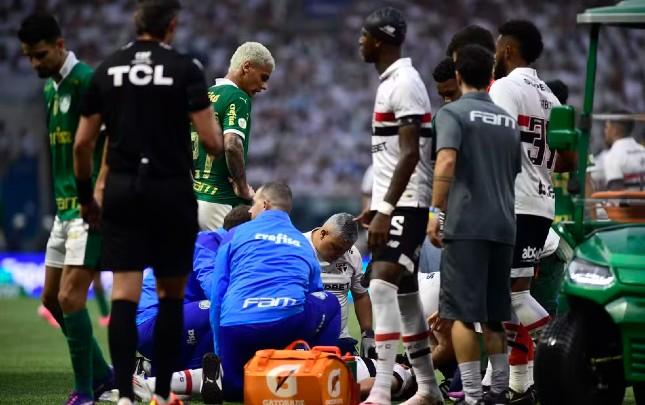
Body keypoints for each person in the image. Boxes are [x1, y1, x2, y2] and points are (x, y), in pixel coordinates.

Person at [72, 1, 224, 404]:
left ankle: (125, 394)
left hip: (122, 190)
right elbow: (212, 142)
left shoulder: (107, 69)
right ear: (172, 25)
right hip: (170, 190)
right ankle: (161, 393)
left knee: (125, 293)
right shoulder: (185, 68)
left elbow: (83, 144)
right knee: (170, 295)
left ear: (136, 23)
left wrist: (87, 198)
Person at [17, 12, 114, 404]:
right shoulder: (50, 89)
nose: (34, 63)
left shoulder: (87, 81)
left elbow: (111, 140)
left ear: (60, 45)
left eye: (40, 54)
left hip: (87, 208)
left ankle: (85, 392)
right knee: (51, 299)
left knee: (72, 298)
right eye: (28, 56)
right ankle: (103, 375)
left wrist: (100, 189)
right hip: (63, 209)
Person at [357, 7, 442, 405]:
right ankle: (427, 388)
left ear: (381, 40)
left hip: (408, 203)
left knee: (380, 284)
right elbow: (393, 156)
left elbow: (411, 154)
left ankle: (381, 389)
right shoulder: (392, 81)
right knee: (406, 298)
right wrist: (377, 206)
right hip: (396, 203)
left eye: (365, 35)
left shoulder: (405, 83)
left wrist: (387, 208)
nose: (360, 41)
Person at [428, 44, 522, 405]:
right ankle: (498, 391)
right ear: (490, 76)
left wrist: (435, 212)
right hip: (504, 225)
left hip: (467, 225)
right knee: (495, 317)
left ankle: (470, 395)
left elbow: (446, 162)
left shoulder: (452, 113)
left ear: (457, 75)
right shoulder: (508, 121)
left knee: (463, 317)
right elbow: (512, 173)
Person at [488, 20, 576, 402]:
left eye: (497, 47)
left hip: (514, 202)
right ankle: (521, 383)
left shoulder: (505, 88)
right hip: (540, 203)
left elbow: (498, 142)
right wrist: (538, 164)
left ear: (507, 49)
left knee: (511, 296)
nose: (494, 54)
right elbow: (568, 160)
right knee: (511, 295)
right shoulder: (551, 98)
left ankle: (565, 352)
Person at [209, 182, 341, 401]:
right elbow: (314, 293)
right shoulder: (302, 242)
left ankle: (230, 376)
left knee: (235, 392)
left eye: (253, 203)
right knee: (330, 302)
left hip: (236, 328)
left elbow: (218, 294)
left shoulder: (234, 234)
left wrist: (219, 351)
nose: (250, 210)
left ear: (265, 204)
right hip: (286, 325)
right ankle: (312, 370)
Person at [192, 42, 274, 230]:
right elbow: (231, 144)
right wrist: (243, 187)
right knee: (233, 249)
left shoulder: (206, 96)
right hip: (220, 201)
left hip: (194, 198)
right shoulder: (238, 97)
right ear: (247, 67)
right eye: (263, 77)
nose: (264, 86)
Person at [304, 213, 374, 357]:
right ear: (323, 234)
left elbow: (361, 295)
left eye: (344, 250)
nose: (339, 254)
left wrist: (367, 335)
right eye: (335, 247)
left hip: (340, 340)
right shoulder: (297, 247)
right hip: (303, 339)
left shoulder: (352, 254)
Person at [601, 111, 645, 190]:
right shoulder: (643, 150)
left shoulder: (612, 156)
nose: (605, 131)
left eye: (607, 127)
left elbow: (616, 193)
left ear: (615, 130)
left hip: (629, 198)